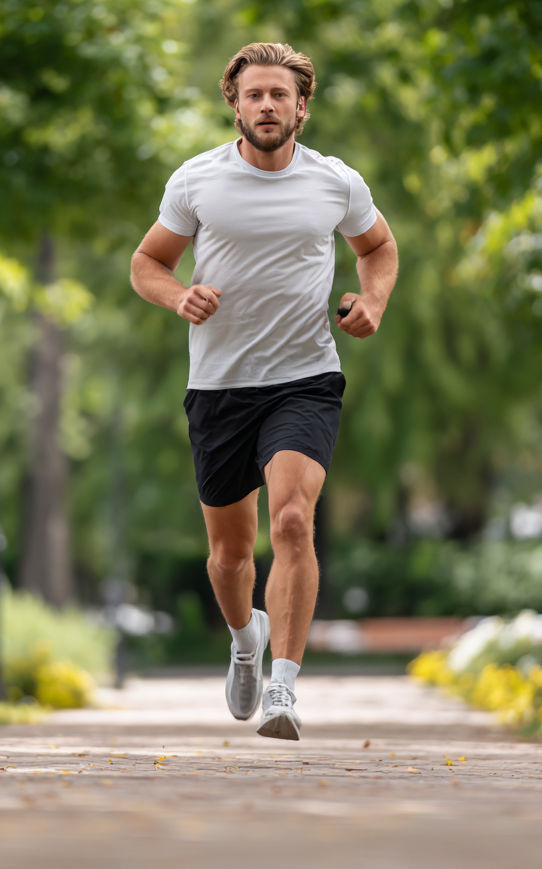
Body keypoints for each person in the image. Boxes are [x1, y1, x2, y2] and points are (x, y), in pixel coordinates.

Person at [129, 43, 398, 740]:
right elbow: (147, 262)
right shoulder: (197, 181)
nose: (268, 106)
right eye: (255, 95)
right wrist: (177, 295)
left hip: (304, 378)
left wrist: (372, 302)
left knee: (292, 523)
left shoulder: (336, 183)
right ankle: (245, 640)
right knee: (230, 558)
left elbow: (378, 248)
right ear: (236, 104)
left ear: (302, 106)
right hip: (219, 385)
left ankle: (284, 689)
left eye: (280, 95)